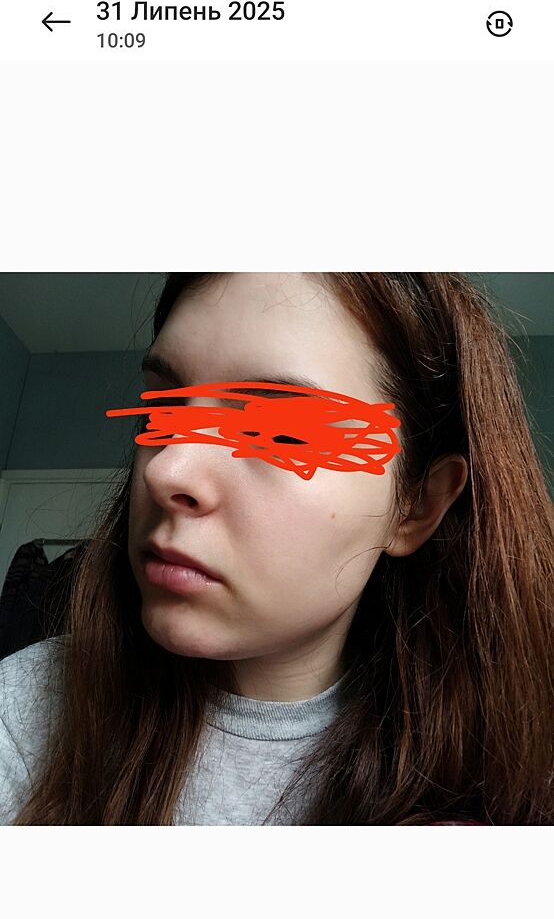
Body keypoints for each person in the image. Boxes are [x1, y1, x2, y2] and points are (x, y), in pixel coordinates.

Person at [0, 272, 552, 825]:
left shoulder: (506, 777)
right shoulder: (30, 708)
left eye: (281, 432)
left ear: (416, 506)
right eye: (160, 413)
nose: (167, 469)